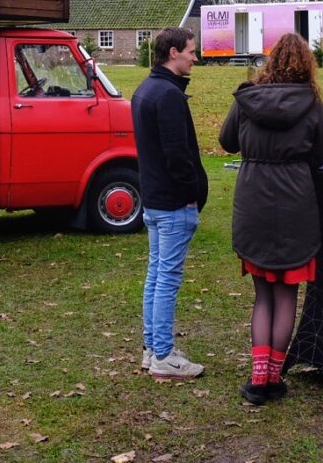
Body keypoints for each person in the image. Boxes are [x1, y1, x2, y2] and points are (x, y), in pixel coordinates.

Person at [218, 32, 323, 405]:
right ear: (306, 65)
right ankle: (274, 378)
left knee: (262, 294)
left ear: (271, 60)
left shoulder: (246, 97)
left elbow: (227, 141)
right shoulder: (311, 102)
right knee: (286, 294)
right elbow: (319, 156)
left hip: (254, 200)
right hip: (296, 200)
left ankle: (257, 377)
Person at [132, 27, 209, 381]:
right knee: (166, 280)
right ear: (174, 52)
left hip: (154, 200)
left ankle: (152, 349)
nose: (195, 57)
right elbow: (178, 155)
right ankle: (163, 353)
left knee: (156, 275)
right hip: (173, 203)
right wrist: (192, 192)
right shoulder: (167, 95)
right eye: (191, 51)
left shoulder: (146, 89)